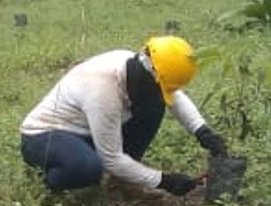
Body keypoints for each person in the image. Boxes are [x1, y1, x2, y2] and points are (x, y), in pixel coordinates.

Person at [18, 35, 232, 197]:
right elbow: (111, 158)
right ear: (150, 75)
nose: (163, 93)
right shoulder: (102, 91)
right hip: (45, 135)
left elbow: (173, 94)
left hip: (88, 130)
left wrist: (202, 131)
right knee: (87, 168)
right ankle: (48, 186)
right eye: (160, 87)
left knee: (155, 105)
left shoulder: (139, 66)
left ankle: (123, 181)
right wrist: (163, 181)